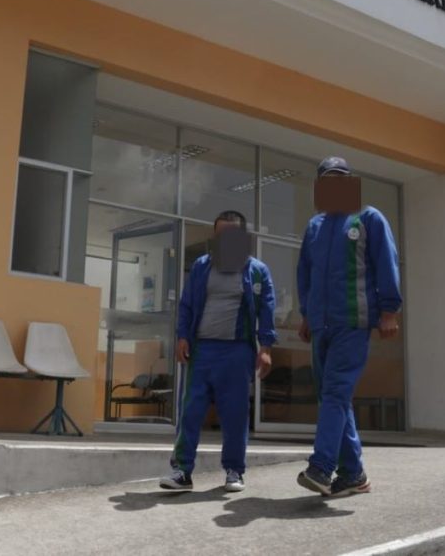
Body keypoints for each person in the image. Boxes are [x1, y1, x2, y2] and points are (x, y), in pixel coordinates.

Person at [295, 157, 402, 497]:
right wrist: (306, 315)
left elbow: (387, 263)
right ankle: (353, 474)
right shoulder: (314, 226)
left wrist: (389, 311)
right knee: (333, 397)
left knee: (337, 392)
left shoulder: (368, 218)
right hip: (321, 326)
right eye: (328, 179)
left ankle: (322, 467)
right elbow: (305, 274)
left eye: (341, 178)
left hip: (353, 322)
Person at [160, 210, 277, 493]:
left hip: (237, 353)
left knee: (235, 414)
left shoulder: (257, 270)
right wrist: (182, 336)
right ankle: (182, 472)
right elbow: (187, 304)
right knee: (190, 412)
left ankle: (234, 471)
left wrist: (266, 348)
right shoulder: (202, 266)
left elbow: (267, 310)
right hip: (202, 351)